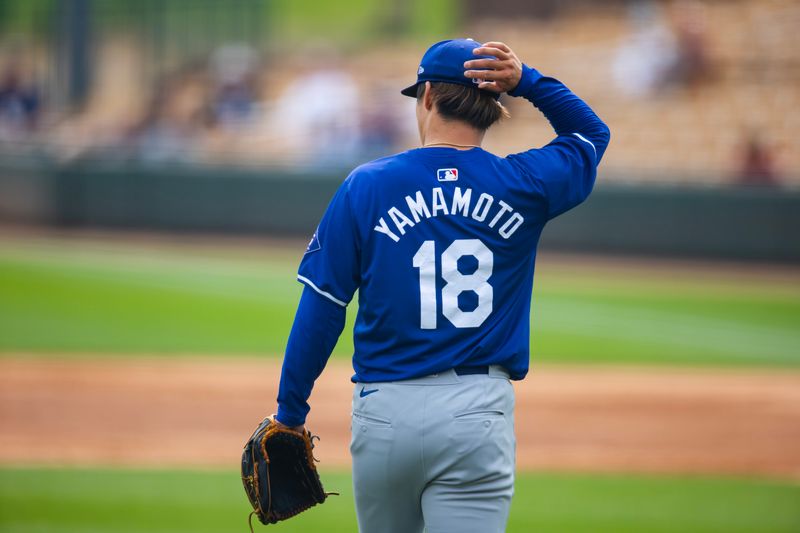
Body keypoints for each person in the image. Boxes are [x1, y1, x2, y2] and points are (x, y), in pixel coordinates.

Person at [272, 39, 610, 532]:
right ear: (493, 104)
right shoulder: (525, 183)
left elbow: (323, 306)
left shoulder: (368, 184)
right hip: (478, 410)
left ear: (426, 95)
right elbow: (591, 134)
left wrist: (290, 411)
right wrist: (527, 81)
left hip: (385, 411)